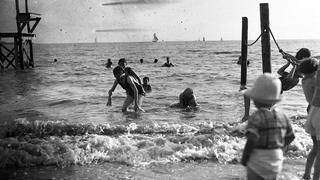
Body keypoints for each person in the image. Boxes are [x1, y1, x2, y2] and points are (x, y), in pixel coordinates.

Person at [241, 73, 295, 180]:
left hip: (259, 159)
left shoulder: (256, 117)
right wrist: (280, 148)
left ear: (255, 99)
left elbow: (252, 139)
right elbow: (291, 136)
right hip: (276, 158)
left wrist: (245, 157)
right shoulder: (282, 116)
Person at [303, 59, 320, 180]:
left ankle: (306, 174)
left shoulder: (305, 80)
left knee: (315, 148)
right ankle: (316, 177)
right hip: (318, 112)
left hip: (311, 111)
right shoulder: (314, 80)